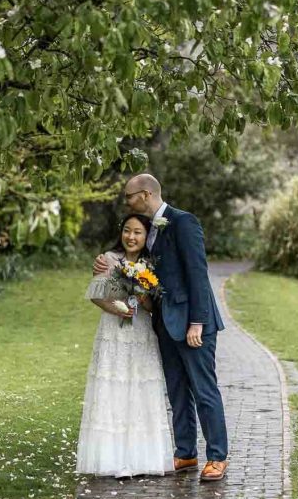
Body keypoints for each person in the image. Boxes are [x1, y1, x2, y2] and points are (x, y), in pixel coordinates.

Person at [94, 174, 229, 482]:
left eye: (129, 197)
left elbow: (198, 273)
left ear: (144, 194)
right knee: (177, 391)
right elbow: (137, 268)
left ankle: (217, 457)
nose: (126, 202)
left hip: (192, 323)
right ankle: (185, 453)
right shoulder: (148, 229)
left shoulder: (183, 222)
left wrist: (198, 322)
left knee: (203, 389)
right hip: (163, 322)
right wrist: (108, 265)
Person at [76, 213, 174, 479]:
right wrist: (118, 308)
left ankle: (142, 458)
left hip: (141, 333)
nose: (131, 237)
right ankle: (113, 458)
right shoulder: (108, 260)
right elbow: (96, 295)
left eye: (138, 232)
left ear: (146, 236)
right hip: (113, 333)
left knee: (140, 387)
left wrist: (143, 299)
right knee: (114, 387)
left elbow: (155, 306)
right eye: (128, 231)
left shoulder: (151, 264)